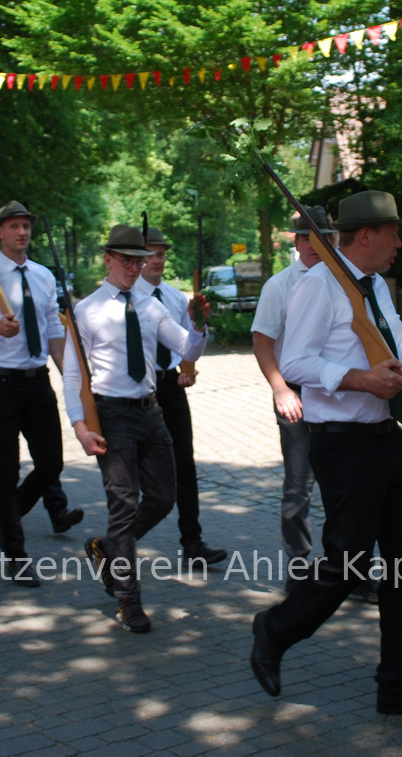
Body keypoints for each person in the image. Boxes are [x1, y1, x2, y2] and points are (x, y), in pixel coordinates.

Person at [248, 190, 402, 722]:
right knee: (348, 563)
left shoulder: (376, 285)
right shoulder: (319, 285)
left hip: (388, 436)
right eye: (393, 233)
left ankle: (399, 687)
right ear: (366, 235)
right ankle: (275, 629)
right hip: (341, 443)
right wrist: (360, 379)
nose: (399, 243)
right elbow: (296, 360)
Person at [66, 224, 209, 631]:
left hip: (150, 410)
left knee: (164, 497)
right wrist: (79, 426)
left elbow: (188, 348)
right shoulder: (87, 310)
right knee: (123, 505)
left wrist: (199, 325)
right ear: (108, 259)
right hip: (111, 415)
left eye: (138, 261)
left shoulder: (151, 306)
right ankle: (128, 601)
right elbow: (73, 375)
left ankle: (107, 548)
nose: (134, 268)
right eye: (126, 260)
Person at [0, 201, 80, 583]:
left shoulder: (43, 275)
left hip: (38, 381)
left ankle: (7, 514)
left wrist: (73, 378)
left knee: (51, 464)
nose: (22, 232)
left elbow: (53, 330)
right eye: (14, 226)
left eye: (26, 225)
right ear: (0, 232)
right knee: (7, 472)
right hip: (1, 383)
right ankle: (16, 555)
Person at [133, 226, 227, 564]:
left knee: (185, 463)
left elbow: (189, 347)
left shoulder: (174, 298)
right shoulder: (129, 297)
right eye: (150, 254)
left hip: (170, 387)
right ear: (137, 259)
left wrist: (189, 366)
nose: (157, 260)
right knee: (137, 471)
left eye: (161, 254)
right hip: (138, 388)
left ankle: (193, 542)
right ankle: (121, 542)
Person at [251, 206, 333, 582]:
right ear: (297, 242)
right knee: (298, 487)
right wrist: (280, 389)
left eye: (323, 237)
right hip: (296, 394)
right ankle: (299, 569)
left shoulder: (346, 281)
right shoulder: (279, 286)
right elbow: (262, 342)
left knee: (344, 486)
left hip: (339, 392)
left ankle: (349, 569)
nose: (315, 244)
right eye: (306, 237)